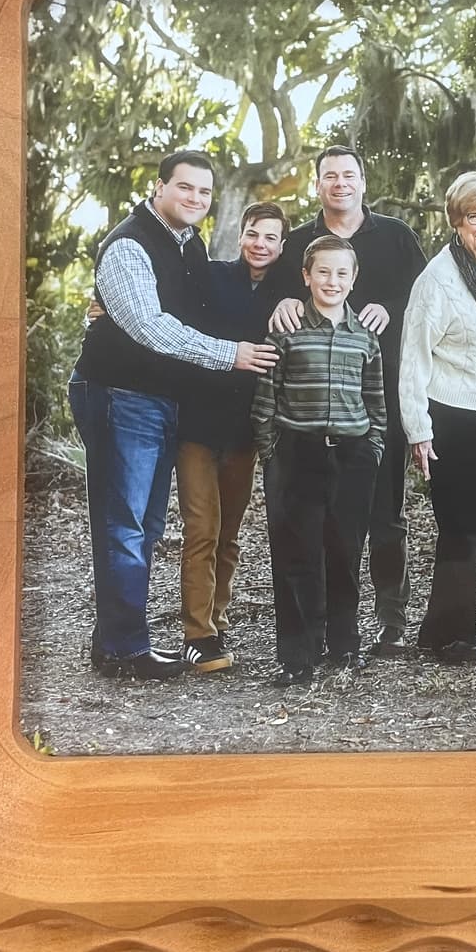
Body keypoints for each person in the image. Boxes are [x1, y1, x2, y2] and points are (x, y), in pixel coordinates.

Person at [69, 150, 277, 680]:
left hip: (159, 400)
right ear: (158, 187)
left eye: (204, 192)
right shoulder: (129, 245)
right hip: (120, 394)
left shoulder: (189, 245)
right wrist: (230, 353)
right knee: (126, 525)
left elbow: (198, 309)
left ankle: (117, 640)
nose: (195, 199)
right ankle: (122, 649)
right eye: (185, 187)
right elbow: (150, 326)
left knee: (143, 524)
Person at [267, 145, 427, 655]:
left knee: (385, 515)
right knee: (319, 524)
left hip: (379, 396)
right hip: (309, 413)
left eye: (349, 174)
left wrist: (391, 307)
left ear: (363, 181)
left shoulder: (396, 237)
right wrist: (283, 299)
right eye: (330, 175)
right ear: (318, 185)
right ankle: (324, 628)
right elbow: (266, 290)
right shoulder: (297, 243)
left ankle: (391, 620)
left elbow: (427, 296)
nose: (340, 183)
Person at [399, 172, 476, 664]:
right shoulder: (438, 280)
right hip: (451, 417)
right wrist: (419, 430)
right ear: (457, 220)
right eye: (475, 216)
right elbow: (413, 358)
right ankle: (456, 636)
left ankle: (440, 628)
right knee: (461, 526)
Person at [253, 234, 388, 687]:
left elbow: (375, 399)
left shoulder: (365, 335)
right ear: (306, 276)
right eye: (323, 272)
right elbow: (267, 395)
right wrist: (271, 451)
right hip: (297, 453)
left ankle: (344, 645)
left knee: (345, 551)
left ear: (354, 279)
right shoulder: (286, 330)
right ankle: (298, 654)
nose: (332, 281)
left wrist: (373, 447)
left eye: (341, 273)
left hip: (352, 455)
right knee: (298, 554)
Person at [171, 201, 288, 674]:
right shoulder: (211, 276)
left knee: (229, 534)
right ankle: (197, 635)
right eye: (253, 234)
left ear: (282, 245)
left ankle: (216, 618)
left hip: (245, 432)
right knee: (202, 528)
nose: (260, 244)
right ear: (240, 236)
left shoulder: (287, 292)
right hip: (197, 426)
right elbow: (164, 306)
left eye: (271, 237)